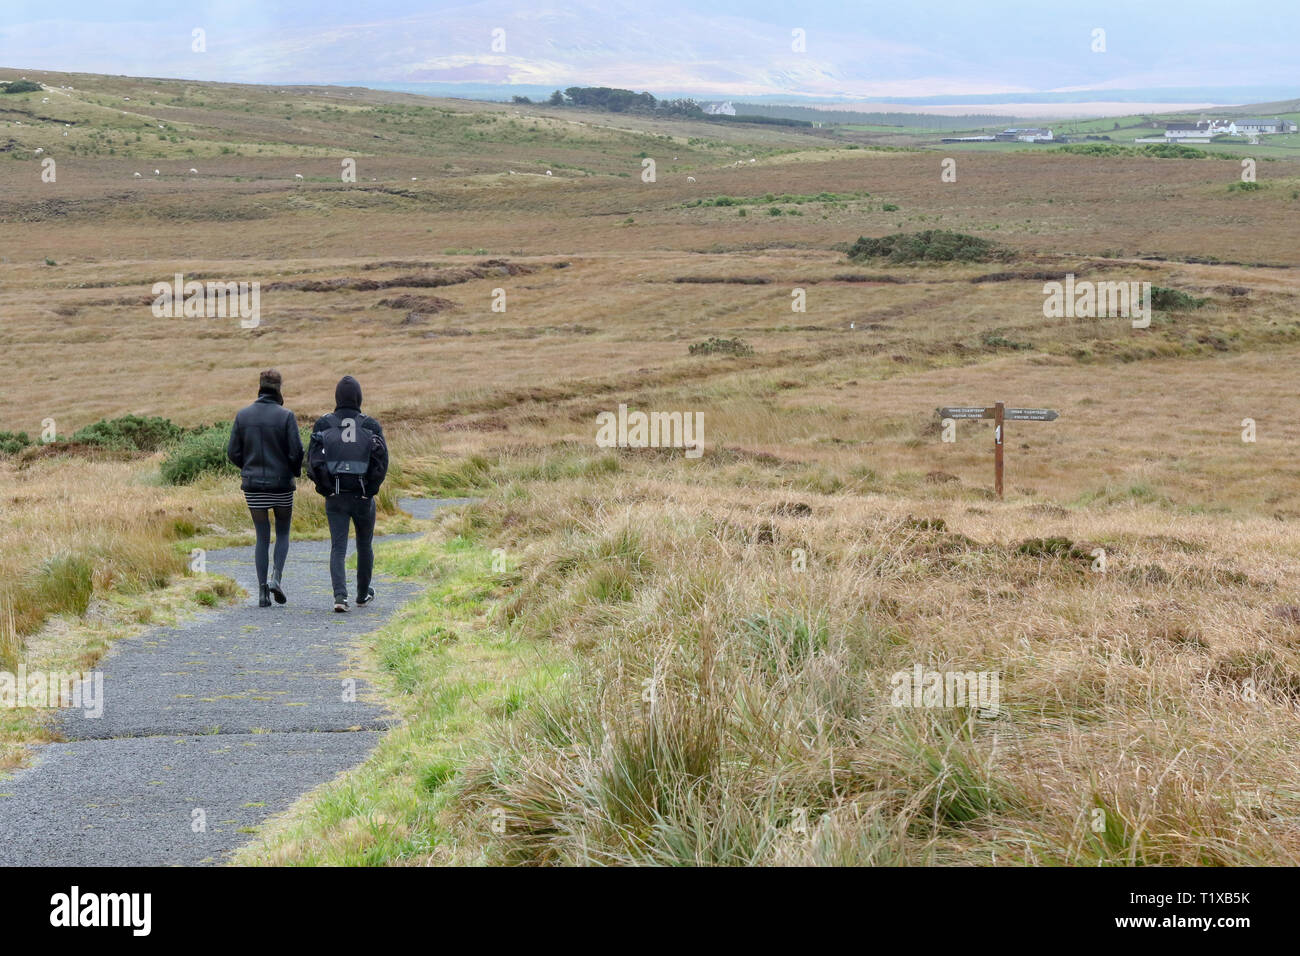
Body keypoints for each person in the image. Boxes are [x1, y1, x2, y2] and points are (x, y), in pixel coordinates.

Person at [307, 375, 388, 613]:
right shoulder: (371, 425)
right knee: (365, 545)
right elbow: (381, 461)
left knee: (338, 548)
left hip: (335, 497)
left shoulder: (323, 424)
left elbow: (312, 462)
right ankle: (362, 595)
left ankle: (340, 597)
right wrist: (370, 490)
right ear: (359, 397)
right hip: (363, 497)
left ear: (337, 398)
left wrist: (326, 490)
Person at [227, 369, 303, 607]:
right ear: (279, 388)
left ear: (260, 386)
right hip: (281, 484)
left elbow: (233, 453)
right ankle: (276, 579)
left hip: (253, 487)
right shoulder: (286, 416)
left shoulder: (243, 416)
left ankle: (262, 593)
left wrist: (248, 467)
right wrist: (292, 471)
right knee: (282, 533)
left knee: (262, 536)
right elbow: (297, 452)